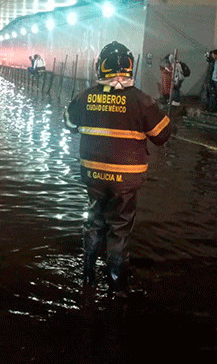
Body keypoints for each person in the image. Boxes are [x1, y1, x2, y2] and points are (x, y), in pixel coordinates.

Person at [64, 41, 173, 297]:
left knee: (94, 220)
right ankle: (116, 285)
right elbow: (162, 134)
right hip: (126, 179)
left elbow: (69, 124)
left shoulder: (85, 96)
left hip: (93, 175)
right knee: (120, 227)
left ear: (100, 67)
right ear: (129, 67)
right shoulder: (141, 101)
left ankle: (88, 275)